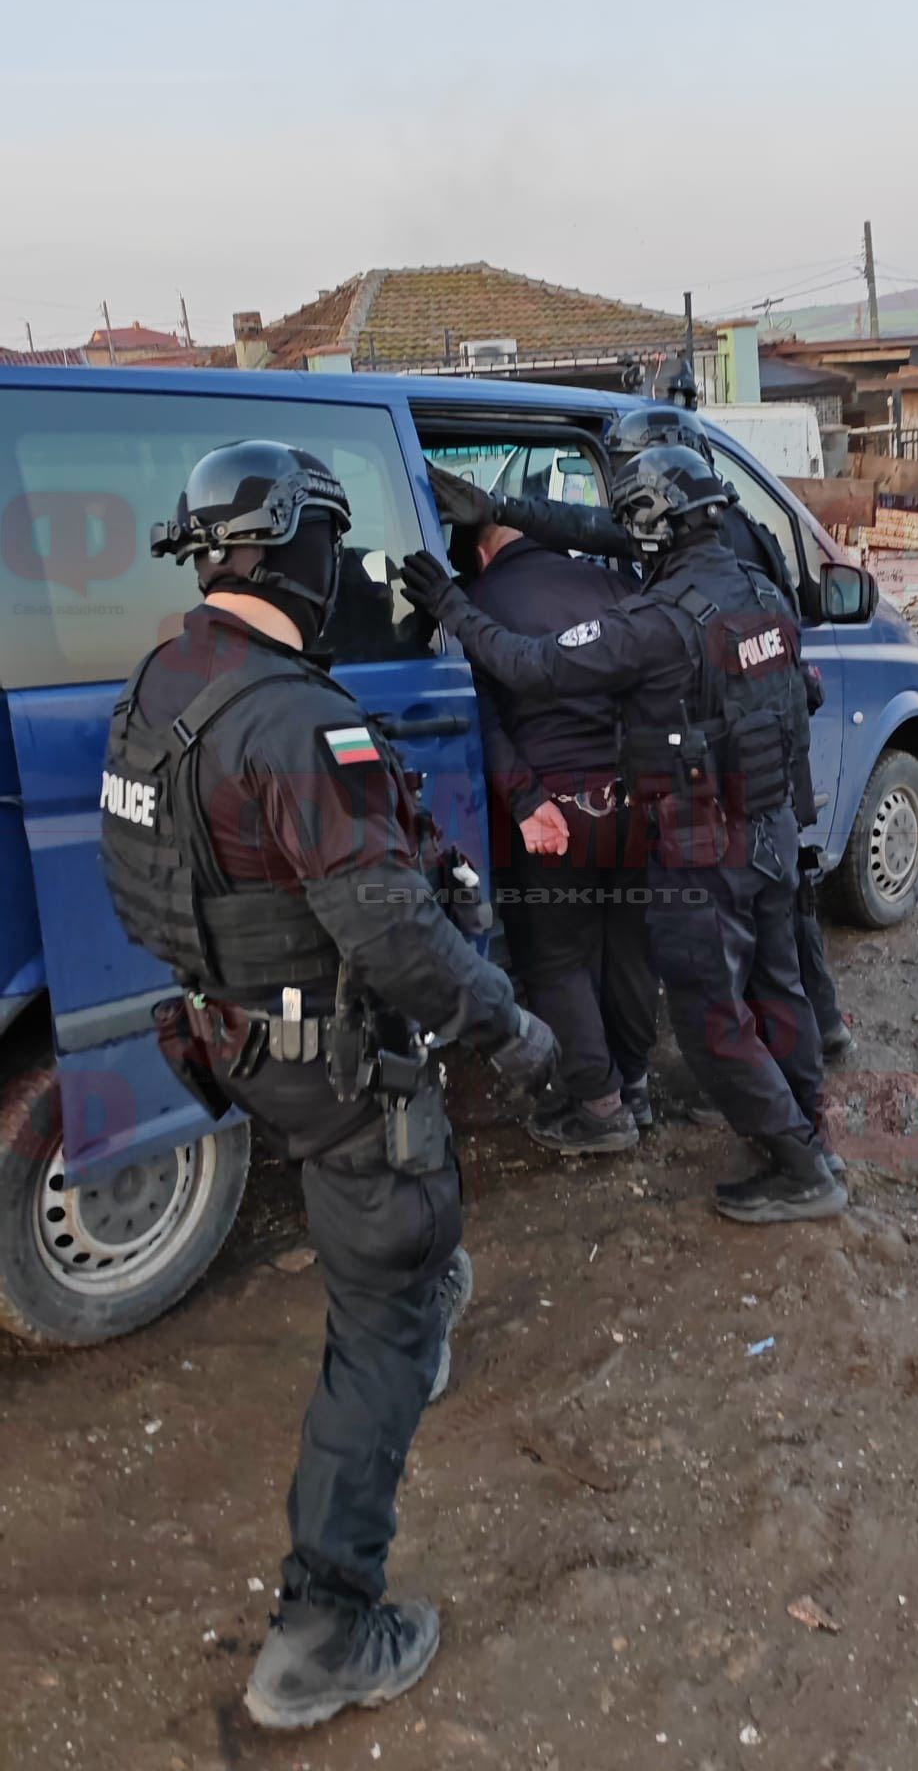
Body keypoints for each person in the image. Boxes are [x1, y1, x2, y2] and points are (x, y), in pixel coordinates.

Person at [98, 441, 556, 1732]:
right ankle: (324, 1634)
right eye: (333, 546)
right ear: (296, 548)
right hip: (337, 1066)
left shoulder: (167, 680)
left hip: (240, 1041)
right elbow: (393, 939)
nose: (344, 570)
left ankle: (423, 1303)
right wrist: (509, 1027)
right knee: (382, 1314)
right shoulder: (297, 720)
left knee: (396, 1256)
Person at [404, 445, 847, 1224]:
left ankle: (801, 1166)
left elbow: (533, 666)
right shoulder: (763, 592)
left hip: (704, 846)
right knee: (779, 990)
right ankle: (813, 1135)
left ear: (650, 529)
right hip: (772, 830)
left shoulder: (656, 622)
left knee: (710, 1017)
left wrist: (452, 604)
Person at [465, 517, 658, 1154]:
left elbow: (485, 720)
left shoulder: (480, 603)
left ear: (481, 552)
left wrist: (524, 799)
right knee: (628, 945)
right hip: (633, 798)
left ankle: (599, 1109)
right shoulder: (610, 583)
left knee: (556, 955)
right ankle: (634, 1085)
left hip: (558, 810)